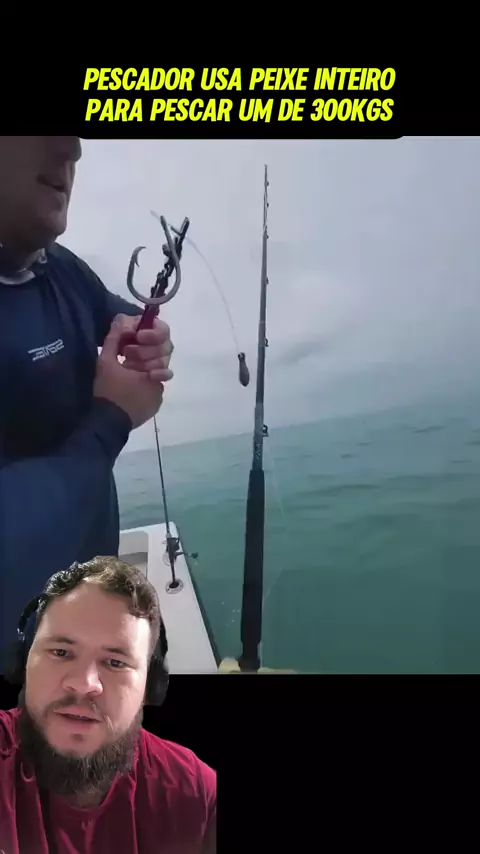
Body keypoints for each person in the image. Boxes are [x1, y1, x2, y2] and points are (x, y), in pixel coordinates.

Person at [0, 137, 175, 668]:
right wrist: (111, 420)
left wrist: (148, 335)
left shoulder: (59, 268)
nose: (71, 149)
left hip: (84, 613)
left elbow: (120, 316)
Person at [0, 556, 217, 853]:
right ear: (24, 663)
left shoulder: (197, 796)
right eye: (61, 652)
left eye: (115, 662)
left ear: (150, 687)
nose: (83, 683)